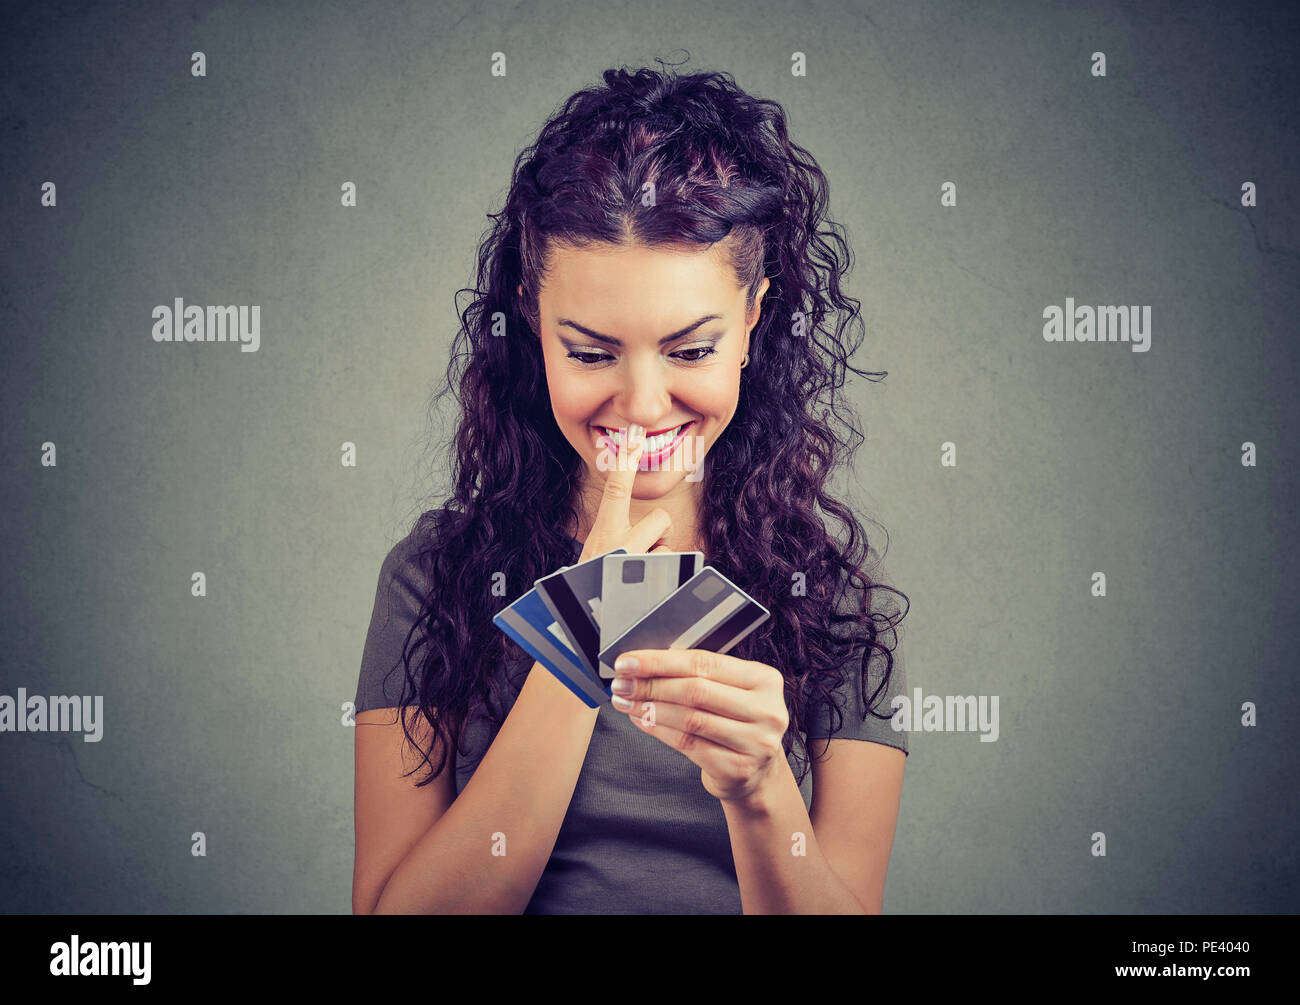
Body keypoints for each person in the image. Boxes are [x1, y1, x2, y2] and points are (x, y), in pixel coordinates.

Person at [352, 61, 910, 915]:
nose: (643, 407)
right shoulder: (435, 576)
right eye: (589, 351)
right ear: (531, 318)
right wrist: (583, 626)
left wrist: (762, 790)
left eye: (690, 351)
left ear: (755, 320)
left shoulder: (825, 601)